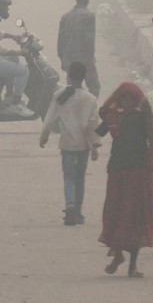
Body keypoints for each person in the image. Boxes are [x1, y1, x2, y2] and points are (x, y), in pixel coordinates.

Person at [96, 82, 153, 278]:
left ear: (137, 101)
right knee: (116, 214)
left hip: (138, 172)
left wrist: (147, 111)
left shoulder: (144, 118)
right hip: (117, 171)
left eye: (131, 99)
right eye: (123, 98)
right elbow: (99, 129)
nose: (127, 102)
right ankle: (118, 255)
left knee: (135, 218)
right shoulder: (114, 117)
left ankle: (132, 265)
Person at [40, 62, 101, 226]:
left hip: (67, 144)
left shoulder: (61, 95)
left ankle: (70, 205)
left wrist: (44, 137)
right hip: (83, 145)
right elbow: (93, 124)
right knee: (80, 178)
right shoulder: (90, 98)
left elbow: (49, 120)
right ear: (84, 77)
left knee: (69, 176)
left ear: (68, 76)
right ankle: (78, 212)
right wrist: (94, 146)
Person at [57, 0, 100, 96]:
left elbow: (60, 40)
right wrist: (91, 58)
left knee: (71, 88)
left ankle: (72, 106)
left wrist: (62, 59)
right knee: (94, 86)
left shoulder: (65, 17)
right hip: (85, 58)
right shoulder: (89, 16)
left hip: (69, 59)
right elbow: (89, 40)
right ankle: (88, 106)